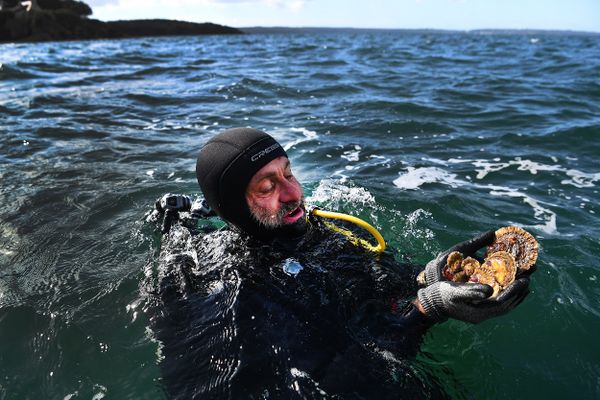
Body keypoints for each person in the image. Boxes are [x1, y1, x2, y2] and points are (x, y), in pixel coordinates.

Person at [146, 127, 531, 399]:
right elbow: (333, 382)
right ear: (233, 207)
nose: (294, 192)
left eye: (289, 172)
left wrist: (431, 279)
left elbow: (381, 290)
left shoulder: (325, 230)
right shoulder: (238, 289)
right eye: (267, 187)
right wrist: (423, 313)